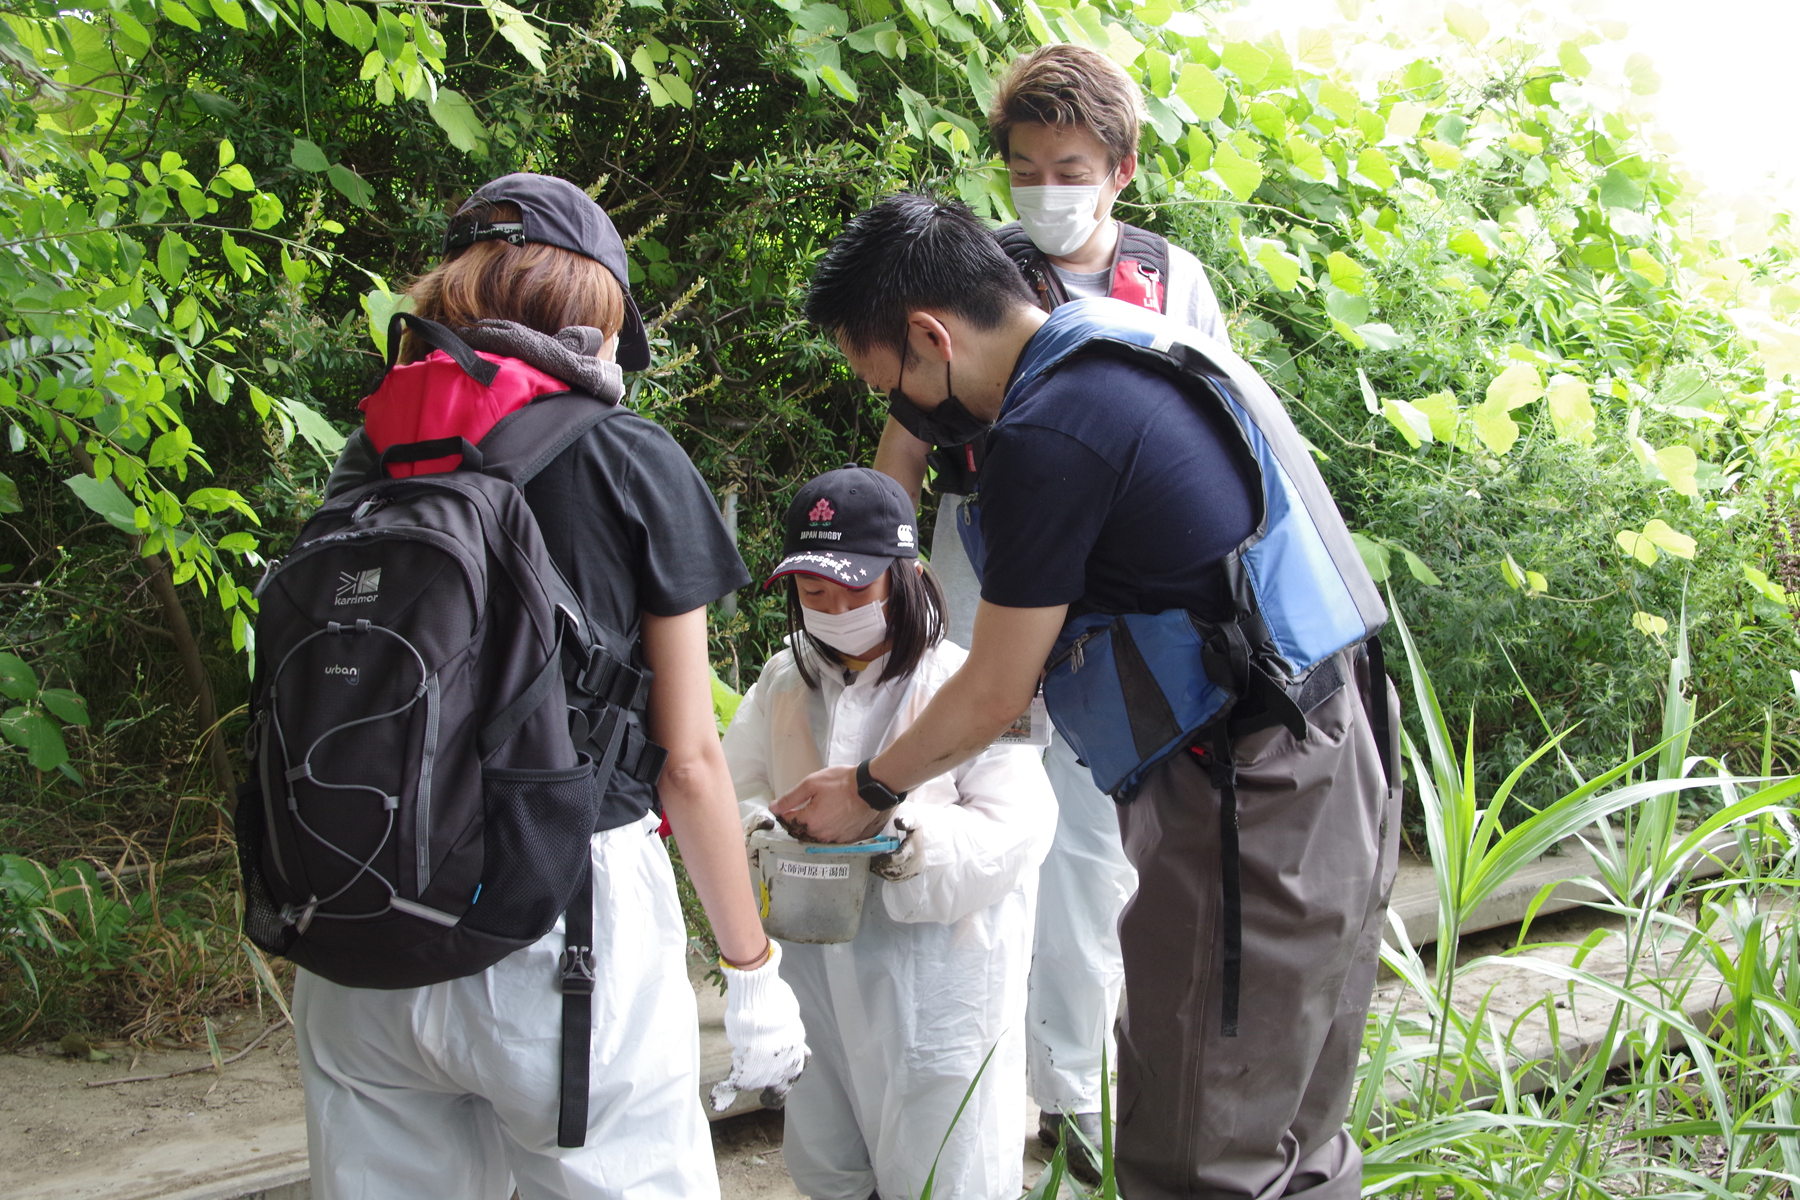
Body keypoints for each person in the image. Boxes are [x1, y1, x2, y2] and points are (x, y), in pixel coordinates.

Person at [782, 193, 1402, 1200]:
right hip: (1332, 738)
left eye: (887, 382)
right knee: (1292, 1131)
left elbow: (993, 687)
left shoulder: (1049, 434)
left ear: (932, 337)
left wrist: (871, 784)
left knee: (1201, 1148)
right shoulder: (1124, 343)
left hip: (1255, 785)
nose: (899, 412)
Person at [293, 173, 808, 1200]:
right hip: (564, 924)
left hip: (362, 916)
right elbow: (692, 763)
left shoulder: (368, 457)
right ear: (596, 317)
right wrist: (750, 971)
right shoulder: (628, 457)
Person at [870, 42, 1228, 1180]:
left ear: (1121, 167)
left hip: (1115, 593)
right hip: (987, 562)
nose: (1043, 189)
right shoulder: (986, 270)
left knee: (1085, 832)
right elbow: (906, 434)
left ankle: (1070, 1085)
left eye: (1067, 165)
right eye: (1023, 167)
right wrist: (886, 568)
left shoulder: (1168, 283)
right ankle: (953, 1067)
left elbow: (1213, 428)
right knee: (958, 790)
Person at [723, 465, 1055, 1200]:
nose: (835, 607)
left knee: (943, 1163)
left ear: (904, 574)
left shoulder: (963, 683)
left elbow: (1022, 825)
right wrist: (762, 834)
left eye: (855, 588)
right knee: (832, 1157)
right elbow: (732, 785)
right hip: (818, 974)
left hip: (941, 983)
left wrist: (907, 846)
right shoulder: (783, 682)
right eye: (814, 593)